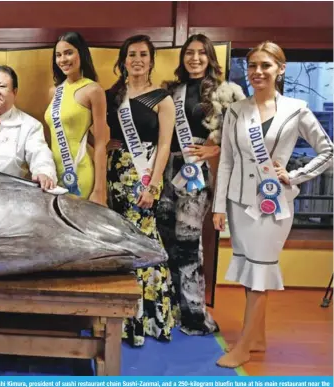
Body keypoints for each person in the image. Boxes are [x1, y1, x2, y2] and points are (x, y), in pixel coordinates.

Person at [212, 41, 333, 368]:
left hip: (272, 206)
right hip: (238, 203)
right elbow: (226, 161)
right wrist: (219, 206)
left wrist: (294, 175)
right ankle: (259, 336)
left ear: (281, 68)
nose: (257, 72)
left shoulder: (296, 109)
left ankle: (245, 346)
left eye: (265, 65)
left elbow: (328, 150)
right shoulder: (237, 111)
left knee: (260, 274)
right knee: (249, 273)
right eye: (252, 65)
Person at [157, 34, 246, 336]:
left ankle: (195, 313)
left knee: (189, 241)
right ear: (182, 58)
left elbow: (241, 136)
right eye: (189, 53)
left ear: (210, 57)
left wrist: (215, 150)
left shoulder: (226, 93)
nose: (194, 58)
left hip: (195, 170)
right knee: (166, 237)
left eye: (201, 53)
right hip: (168, 167)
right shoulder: (171, 91)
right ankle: (168, 308)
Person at [105, 35, 176, 347]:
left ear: (151, 60)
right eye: (131, 54)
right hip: (116, 172)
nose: (137, 59)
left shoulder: (162, 98)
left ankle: (148, 317)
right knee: (119, 241)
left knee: (143, 241)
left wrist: (152, 183)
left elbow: (164, 145)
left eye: (143, 55)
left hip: (145, 174)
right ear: (123, 60)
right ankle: (120, 315)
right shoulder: (113, 95)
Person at [44, 32, 109, 206]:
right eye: (58, 55)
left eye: (68, 53)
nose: (63, 59)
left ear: (81, 53)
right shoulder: (54, 92)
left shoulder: (93, 90)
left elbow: (101, 142)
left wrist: (100, 190)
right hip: (54, 174)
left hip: (80, 172)